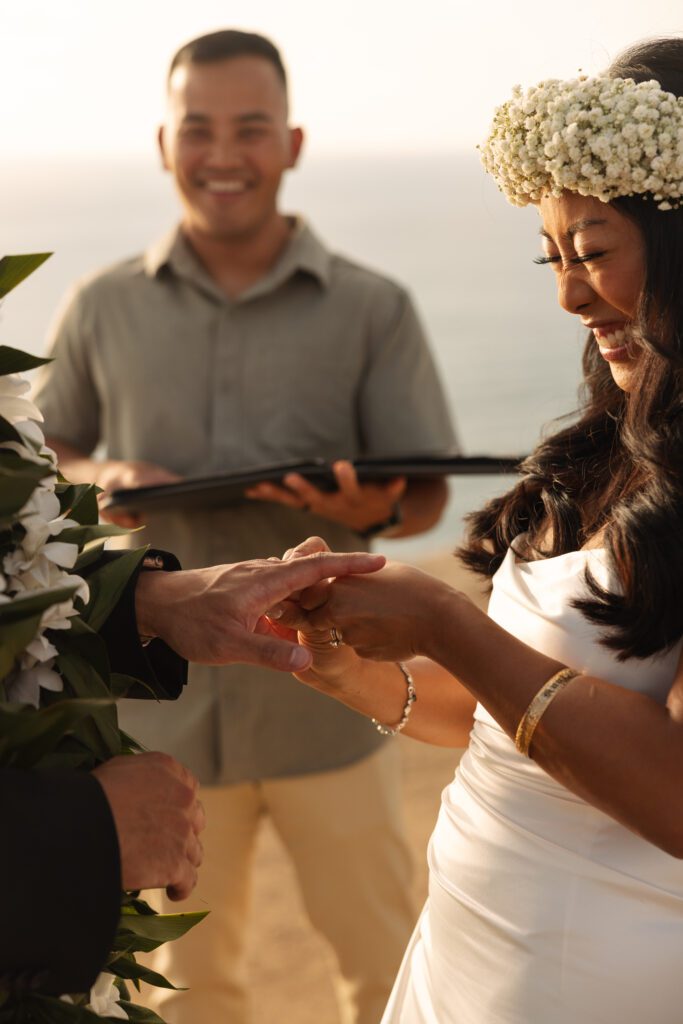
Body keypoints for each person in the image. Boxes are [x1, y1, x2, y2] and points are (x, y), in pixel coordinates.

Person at [33, 29, 455, 1022]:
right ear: (163, 141)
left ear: (292, 142)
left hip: (330, 701)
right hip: (160, 727)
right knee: (189, 993)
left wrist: (371, 510)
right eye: (199, 128)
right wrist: (104, 477)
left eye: (250, 128)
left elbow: (426, 494)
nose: (223, 153)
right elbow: (41, 464)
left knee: (386, 968)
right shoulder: (97, 307)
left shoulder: (372, 308)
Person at [272, 37, 683, 1024]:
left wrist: (446, 622)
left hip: (587, 967)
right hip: (469, 933)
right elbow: (510, 716)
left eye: (590, 253)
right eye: (552, 257)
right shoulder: (610, 450)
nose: (565, 295)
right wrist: (353, 670)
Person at [2, 544, 385, 998]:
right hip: (168, 743)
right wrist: (80, 827)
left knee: (378, 959)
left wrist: (148, 599)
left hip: (322, 732)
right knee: (191, 986)